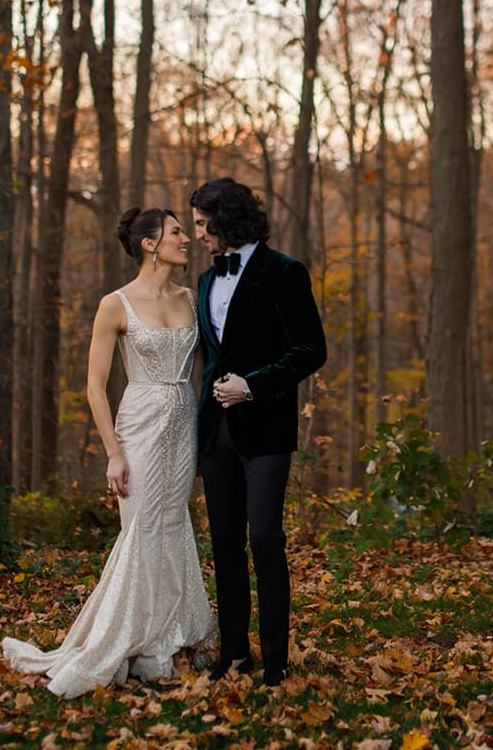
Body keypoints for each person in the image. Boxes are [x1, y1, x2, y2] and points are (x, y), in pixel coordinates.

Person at [1, 208, 215, 696]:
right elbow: (95, 388)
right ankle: (123, 640)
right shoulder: (115, 304)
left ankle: (162, 641)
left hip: (184, 422)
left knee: (172, 525)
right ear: (148, 243)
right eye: (177, 232)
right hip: (138, 423)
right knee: (140, 527)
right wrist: (113, 454)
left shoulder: (191, 298)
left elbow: (209, 366)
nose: (187, 238)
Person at [191, 177, 327, 688]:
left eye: (204, 225)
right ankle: (233, 654)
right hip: (214, 431)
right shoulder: (206, 282)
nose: (200, 235)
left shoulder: (285, 272)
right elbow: (209, 357)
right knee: (225, 543)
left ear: (227, 220)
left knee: (266, 539)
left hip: (266, 428)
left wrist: (254, 385)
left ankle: (276, 660)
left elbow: (312, 349)